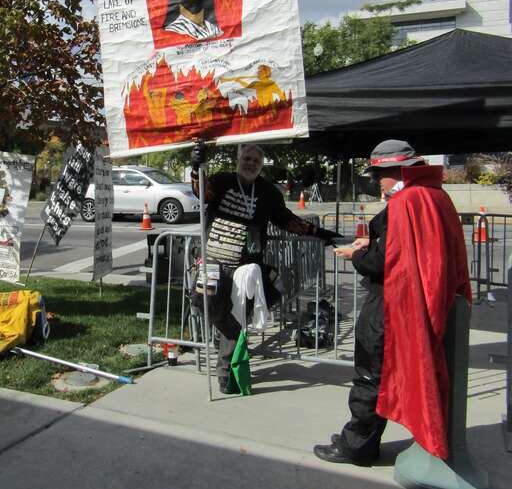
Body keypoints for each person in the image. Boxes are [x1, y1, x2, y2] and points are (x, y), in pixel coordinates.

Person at [313, 140, 471, 466]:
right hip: (410, 303)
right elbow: (406, 248)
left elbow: (385, 263)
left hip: (391, 305)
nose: (377, 183)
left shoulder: (407, 201)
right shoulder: (434, 195)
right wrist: (372, 242)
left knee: (370, 376)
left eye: (379, 175)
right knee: (378, 376)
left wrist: (355, 254)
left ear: (395, 171)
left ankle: (356, 446)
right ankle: (359, 439)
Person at [190, 140, 340, 393]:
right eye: (247, 159)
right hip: (213, 263)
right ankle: (225, 341)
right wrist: (196, 166)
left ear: (261, 166)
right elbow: (201, 191)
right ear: (239, 160)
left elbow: (288, 221)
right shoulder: (222, 180)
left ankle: (227, 376)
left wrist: (319, 232)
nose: (250, 164)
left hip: (247, 270)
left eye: (255, 161)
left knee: (237, 320)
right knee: (209, 309)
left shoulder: (269, 192)